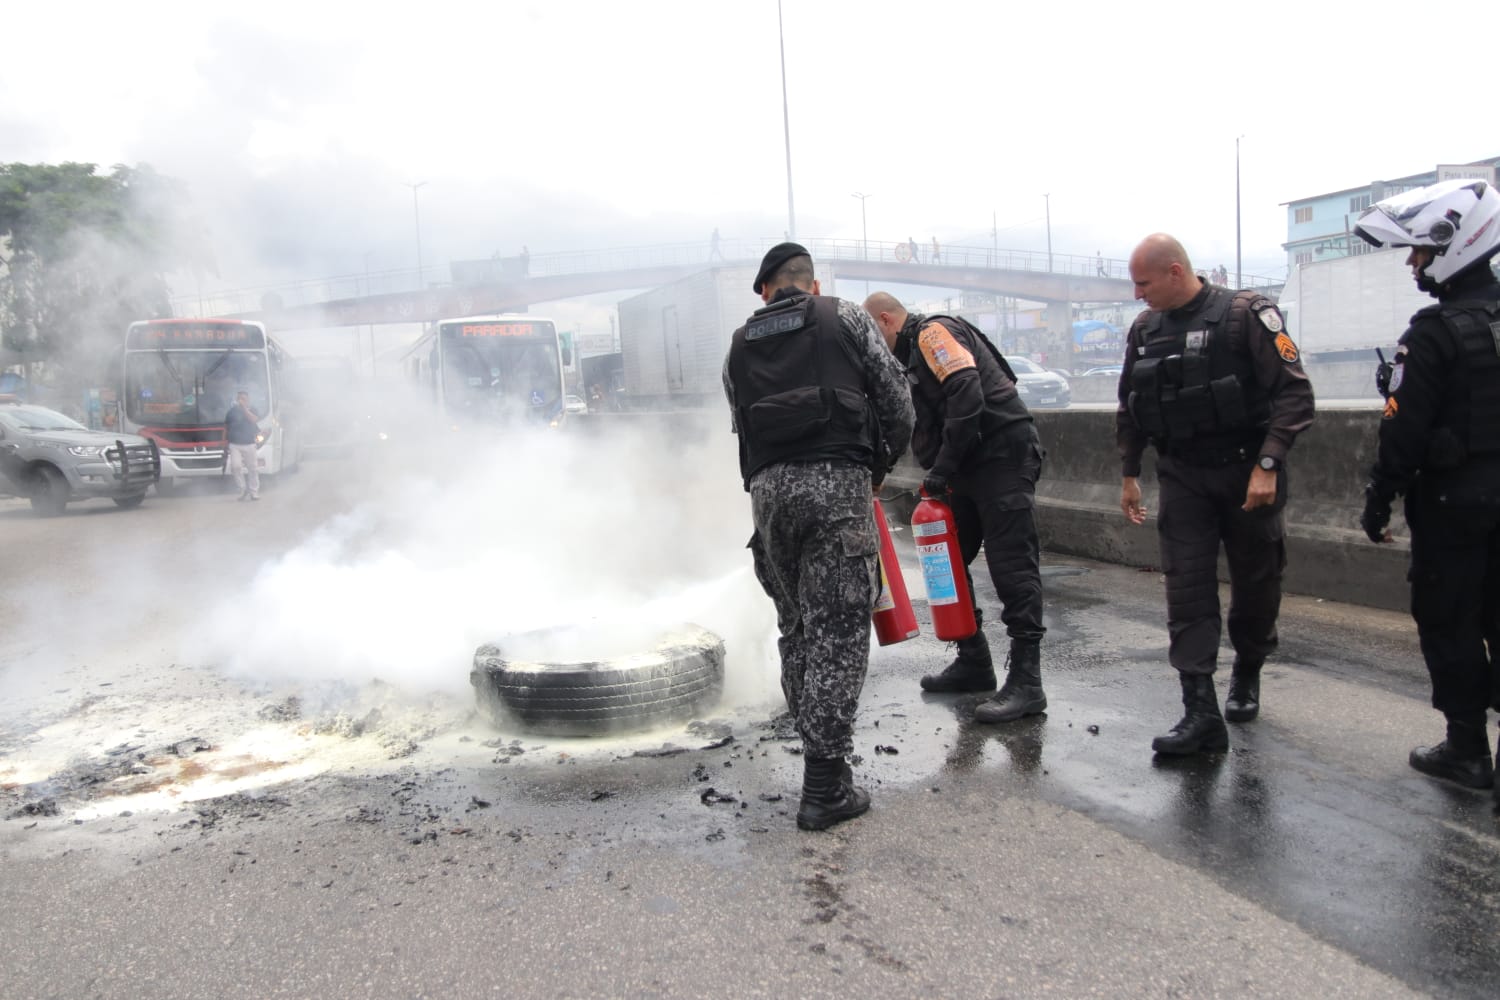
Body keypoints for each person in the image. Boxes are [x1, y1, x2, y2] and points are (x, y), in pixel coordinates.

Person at [722, 243, 914, 831]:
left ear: (765, 291)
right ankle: (825, 786)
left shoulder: (738, 345)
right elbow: (899, 405)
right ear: (812, 282)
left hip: (769, 501)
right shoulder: (847, 316)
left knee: (799, 627)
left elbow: (741, 425)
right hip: (837, 491)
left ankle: (822, 760)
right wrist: (875, 467)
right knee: (838, 634)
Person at [1117, 233, 1315, 755]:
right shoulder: (1144, 329)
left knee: (1256, 585)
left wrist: (1268, 464)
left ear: (1176, 272)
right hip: (1183, 476)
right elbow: (1129, 404)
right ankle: (1199, 711)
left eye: (1144, 282)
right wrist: (1129, 472)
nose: (1137, 294)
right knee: (1187, 589)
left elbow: (1295, 393)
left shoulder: (1247, 314)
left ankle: (1247, 670)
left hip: (1247, 473)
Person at [1353, 178, 1500, 800]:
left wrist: (1379, 498)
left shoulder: (1434, 332)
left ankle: (1467, 750)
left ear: (1456, 243)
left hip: (1456, 508)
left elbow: (1403, 434)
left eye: (1419, 251)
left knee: (1450, 620)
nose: (1413, 263)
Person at [864, 292, 1049, 723]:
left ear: (888, 320)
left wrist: (942, 469)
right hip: (967, 466)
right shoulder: (905, 356)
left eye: (874, 337)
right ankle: (974, 661)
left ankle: (1028, 683)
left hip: (1002, 458)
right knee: (945, 561)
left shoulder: (933, 334)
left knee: (1012, 569)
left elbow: (967, 392)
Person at [224, 390, 262, 501]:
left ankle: (254, 492)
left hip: (249, 443)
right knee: (235, 467)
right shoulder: (231, 412)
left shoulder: (252, 410)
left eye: (243, 399)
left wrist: (244, 409)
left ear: (247, 400)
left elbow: (254, 419)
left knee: (253, 468)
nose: (241, 401)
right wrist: (224, 442)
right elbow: (226, 426)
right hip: (234, 444)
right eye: (239, 398)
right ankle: (242, 489)